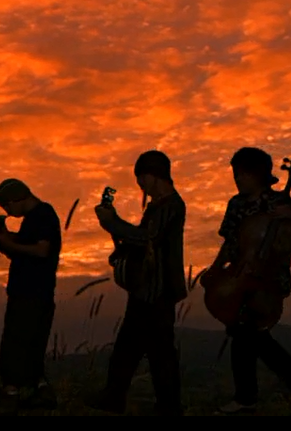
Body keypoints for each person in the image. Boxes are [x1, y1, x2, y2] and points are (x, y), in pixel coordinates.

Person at [210, 147, 291, 416]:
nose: (238, 179)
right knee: (247, 335)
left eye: (242, 174)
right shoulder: (236, 204)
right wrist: (215, 268)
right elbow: (230, 242)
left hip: (269, 278)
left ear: (258, 174)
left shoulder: (279, 202)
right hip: (241, 273)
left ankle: (254, 396)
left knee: (247, 334)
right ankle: (287, 388)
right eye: (236, 174)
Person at [87, 150, 187, 417]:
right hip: (148, 288)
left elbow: (147, 239)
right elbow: (142, 240)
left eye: (142, 178)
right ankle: (122, 397)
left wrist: (113, 222)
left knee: (154, 352)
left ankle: (161, 404)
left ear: (153, 176)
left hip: (157, 290)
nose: (140, 184)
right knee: (138, 349)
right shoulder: (159, 206)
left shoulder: (172, 206)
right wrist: (114, 228)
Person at [0, 178, 62, 416]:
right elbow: (30, 250)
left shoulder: (42, 215)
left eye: (7, 207)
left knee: (15, 345)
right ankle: (40, 393)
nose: (8, 212)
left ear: (16, 199)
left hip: (29, 293)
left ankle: (10, 397)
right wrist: (8, 242)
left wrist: (9, 242)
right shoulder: (37, 218)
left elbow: (41, 250)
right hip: (38, 292)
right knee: (32, 347)